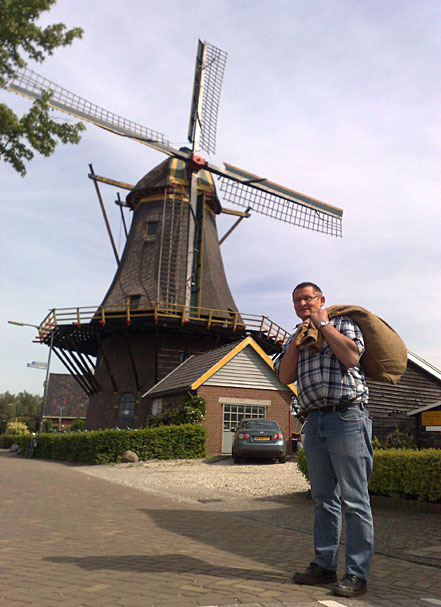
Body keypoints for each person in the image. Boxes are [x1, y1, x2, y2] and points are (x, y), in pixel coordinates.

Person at [274, 281, 373, 598]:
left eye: (307, 297)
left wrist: (323, 324)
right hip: (314, 420)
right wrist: (296, 341)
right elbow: (284, 376)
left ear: (321, 299)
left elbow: (352, 357)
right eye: (297, 300)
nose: (302, 303)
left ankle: (357, 573)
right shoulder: (296, 335)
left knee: (355, 500)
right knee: (323, 500)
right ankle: (324, 565)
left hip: (346, 416)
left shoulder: (343, 323)